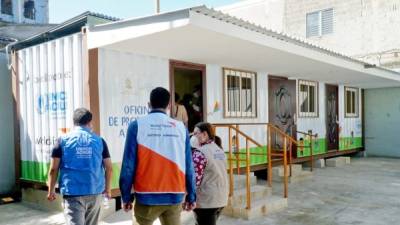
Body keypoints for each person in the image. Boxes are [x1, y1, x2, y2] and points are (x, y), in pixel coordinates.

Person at [119, 87, 196, 225]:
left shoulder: (137, 126)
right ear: (168, 106)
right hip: (175, 195)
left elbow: (128, 165)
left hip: (146, 197)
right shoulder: (181, 128)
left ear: (149, 104)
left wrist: (126, 196)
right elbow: (189, 165)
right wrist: (191, 195)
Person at [47, 108, 113, 225]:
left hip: (72, 193)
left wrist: (51, 190)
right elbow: (109, 168)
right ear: (90, 122)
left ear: (74, 122)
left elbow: (53, 169)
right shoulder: (100, 141)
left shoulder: (62, 141)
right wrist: (107, 190)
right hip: (95, 192)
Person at [191, 122, 228, 225]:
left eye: (195, 133)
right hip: (221, 198)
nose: (193, 136)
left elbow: (194, 180)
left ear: (204, 134)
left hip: (206, 200)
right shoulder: (219, 150)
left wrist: (188, 197)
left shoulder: (200, 153)